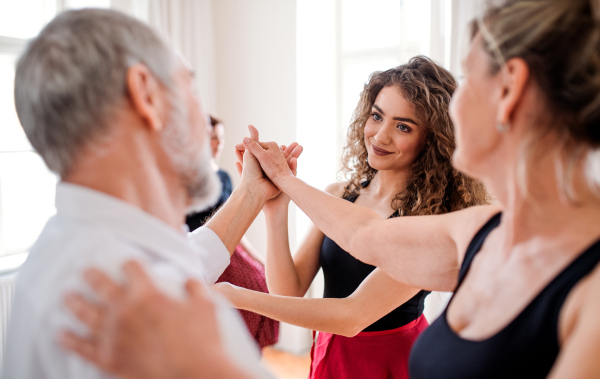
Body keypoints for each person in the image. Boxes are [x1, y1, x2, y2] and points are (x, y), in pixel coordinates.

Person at [60, 0, 600, 378]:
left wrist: (221, 309)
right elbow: (363, 235)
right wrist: (273, 196)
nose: (455, 104)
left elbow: (352, 312)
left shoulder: (586, 289)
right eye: (378, 117)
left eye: (467, 76)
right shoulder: (479, 231)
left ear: (510, 91)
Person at [2, 8, 301, 379]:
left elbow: (188, 257)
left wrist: (251, 194)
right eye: (189, 86)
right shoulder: (129, 305)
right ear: (146, 94)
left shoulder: (79, 248)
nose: (204, 118)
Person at [215, 56, 489, 379]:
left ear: (431, 141)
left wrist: (238, 297)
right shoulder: (339, 194)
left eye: (403, 126)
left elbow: (351, 316)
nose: (380, 136)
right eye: (377, 116)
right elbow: (288, 291)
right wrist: (275, 209)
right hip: (330, 351)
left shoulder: (427, 221)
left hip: (388, 362)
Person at [187, 114, 281, 348]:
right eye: (211, 138)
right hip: (198, 250)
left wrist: (260, 259)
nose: (217, 144)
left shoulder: (224, 177)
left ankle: (246, 351)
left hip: (230, 247)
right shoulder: (185, 178)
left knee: (262, 281)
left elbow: (235, 221)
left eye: (221, 138)